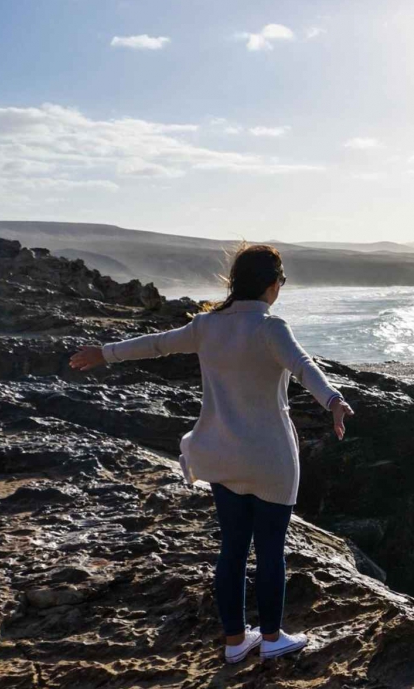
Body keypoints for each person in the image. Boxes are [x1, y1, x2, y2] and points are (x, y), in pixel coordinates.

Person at [69, 244, 354, 663]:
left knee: (233, 550)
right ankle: (273, 637)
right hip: (272, 458)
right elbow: (304, 367)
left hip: (222, 455)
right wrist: (333, 401)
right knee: (271, 550)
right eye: (282, 281)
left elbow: (156, 345)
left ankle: (235, 641)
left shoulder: (206, 326)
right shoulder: (271, 328)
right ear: (272, 285)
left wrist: (104, 353)